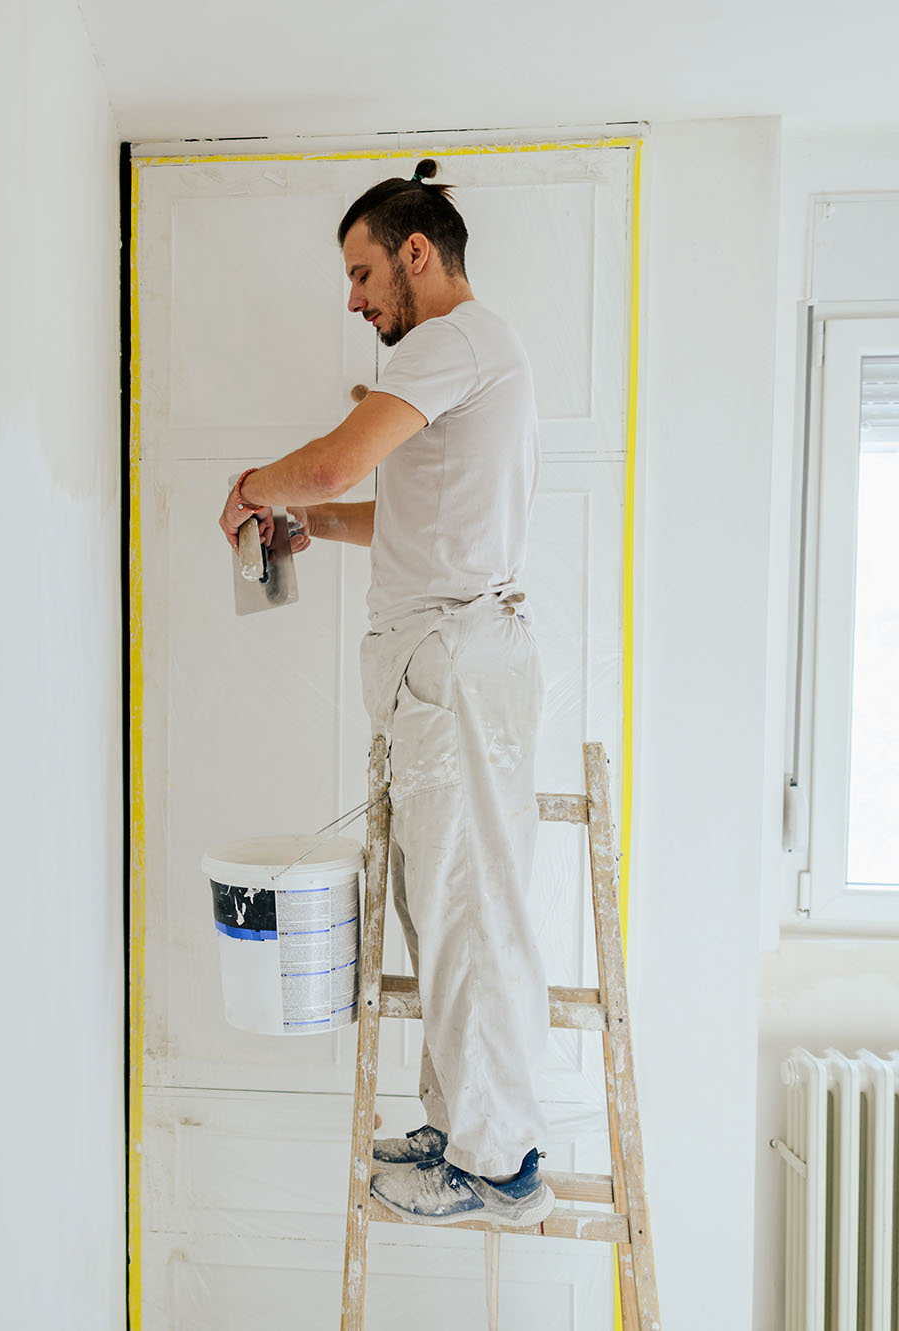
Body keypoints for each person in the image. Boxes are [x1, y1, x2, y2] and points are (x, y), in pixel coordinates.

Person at [217, 158, 552, 1227]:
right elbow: (395, 515)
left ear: (417, 253)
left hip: (452, 665)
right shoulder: (461, 361)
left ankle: (494, 1163)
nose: (352, 298)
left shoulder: (453, 337)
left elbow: (325, 468)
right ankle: (462, 1127)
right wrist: (314, 523)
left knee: (463, 909)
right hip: (446, 659)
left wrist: (256, 489)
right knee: (438, 904)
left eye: (361, 271)